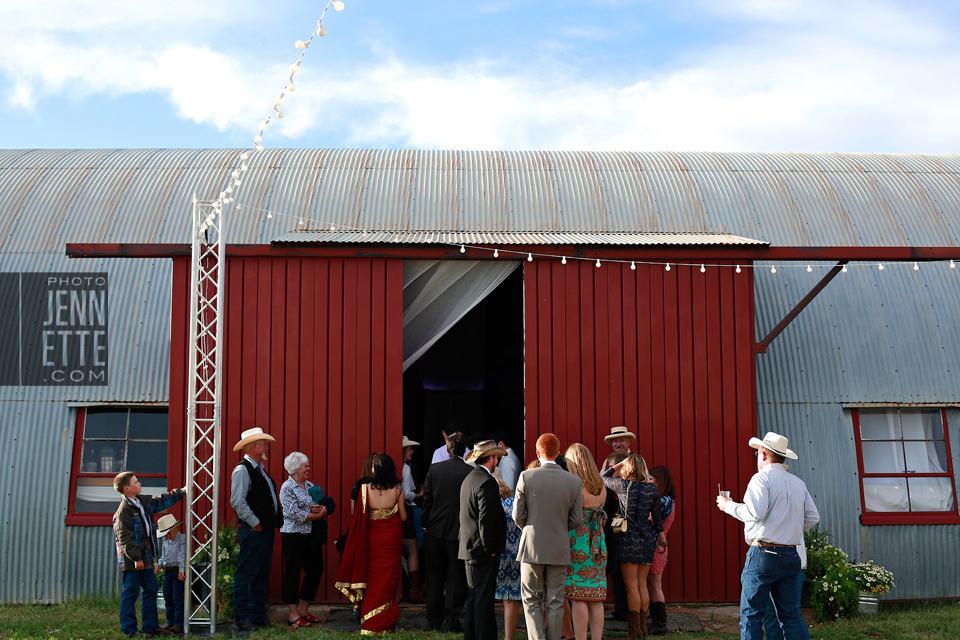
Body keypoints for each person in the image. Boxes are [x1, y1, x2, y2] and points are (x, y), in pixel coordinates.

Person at [717, 432, 820, 640]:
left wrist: (729, 506)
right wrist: (789, 530)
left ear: (763, 455)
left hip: (764, 553)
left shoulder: (760, 479)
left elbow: (755, 512)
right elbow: (813, 517)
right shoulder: (797, 482)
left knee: (751, 615)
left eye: (757, 453)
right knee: (790, 615)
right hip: (791, 554)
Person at [513, 433, 583, 640]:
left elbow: (517, 515)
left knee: (532, 600)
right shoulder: (574, 481)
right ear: (559, 453)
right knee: (555, 601)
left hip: (531, 547)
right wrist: (559, 527)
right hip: (559, 547)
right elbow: (577, 519)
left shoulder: (526, 476)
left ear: (537, 452)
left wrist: (531, 528)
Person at [336, 453, 407, 633]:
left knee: (372, 580)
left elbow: (359, 519)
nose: (372, 469)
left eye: (375, 466)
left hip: (372, 542)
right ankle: (385, 623)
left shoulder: (365, 489)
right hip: (391, 541)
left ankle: (370, 622)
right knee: (388, 582)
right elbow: (404, 517)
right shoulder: (398, 489)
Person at [112, 471, 185, 638]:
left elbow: (161, 501)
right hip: (133, 560)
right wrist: (136, 558)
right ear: (127, 488)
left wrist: (181, 492)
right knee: (131, 592)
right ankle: (130, 630)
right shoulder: (123, 512)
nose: (139, 484)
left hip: (146, 557)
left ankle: (151, 626)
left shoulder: (143, 503)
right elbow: (125, 538)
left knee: (151, 589)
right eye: (136, 482)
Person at [601, 454, 664, 639]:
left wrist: (619, 464)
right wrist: (660, 535)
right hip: (646, 539)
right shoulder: (652, 489)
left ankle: (634, 631)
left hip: (627, 540)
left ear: (627, 468)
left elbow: (603, 478)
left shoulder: (623, 486)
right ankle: (642, 627)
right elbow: (658, 518)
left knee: (631, 588)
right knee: (642, 586)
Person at [229, 427, 282, 632]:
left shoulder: (259, 469)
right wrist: (255, 523)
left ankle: (257, 615)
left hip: (264, 530)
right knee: (246, 574)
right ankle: (243, 618)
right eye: (262, 443)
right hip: (254, 531)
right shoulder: (242, 470)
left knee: (260, 573)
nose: (265, 446)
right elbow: (238, 502)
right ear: (253, 446)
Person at [421, 433, 472, 632]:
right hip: (458, 531)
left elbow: (427, 500)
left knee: (434, 575)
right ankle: (451, 620)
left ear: (448, 449)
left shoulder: (434, 470)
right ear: (465, 450)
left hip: (435, 529)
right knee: (455, 576)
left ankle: (433, 620)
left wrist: (426, 523)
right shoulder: (469, 471)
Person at [459, 440, 509, 640]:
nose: (497, 461)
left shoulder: (469, 478)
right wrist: (491, 549)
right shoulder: (487, 482)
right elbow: (486, 520)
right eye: (496, 457)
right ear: (491, 458)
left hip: (468, 548)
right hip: (482, 551)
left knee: (474, 598)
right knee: (483, 601)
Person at [279, 451, 332, 627]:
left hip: (310, 535)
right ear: (295, 469)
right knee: (293, 573)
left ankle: (303, 609)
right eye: (305, 466)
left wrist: (322, 508)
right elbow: (294, 513)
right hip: (293, 535)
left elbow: (317, 502)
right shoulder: (287, 487)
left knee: (316, 569)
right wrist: (318, 515)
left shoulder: (309, 485)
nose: (308, 468)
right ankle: (293, 614)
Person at [564, 444, 608, 640]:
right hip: (598, 543)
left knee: (579, 595)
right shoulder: (601, 484)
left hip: (577, 543)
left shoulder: (575, 484)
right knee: (596, 596)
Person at [645, 466, 676, 635]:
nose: (648, 482)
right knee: (651, 586)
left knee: (655, 586)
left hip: (656, 547)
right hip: (657, 547)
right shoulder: (666, 500)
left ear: (660, 481)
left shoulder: (663, 500)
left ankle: (660, 624)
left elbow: (650, 520)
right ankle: (655, 622)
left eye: (651, 479)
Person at [601, 452, 629, 623]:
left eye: (611, 466)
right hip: (614, 535)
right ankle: (623, 610)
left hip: (618, 536)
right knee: (616, 573)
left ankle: (623, 611)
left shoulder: (618, 486)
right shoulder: (621, 486)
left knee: (617, 573)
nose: (607, 469)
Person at [495, 476, 523, 640]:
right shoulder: (515, 503)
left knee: (501, 596)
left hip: (500, 554)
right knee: (513, 597)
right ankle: (508, 637)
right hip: (519, 554)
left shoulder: (493, 505)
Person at [401, 435, 426, 603]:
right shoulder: (405, 469)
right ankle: (414, 591)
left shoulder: (398, 468)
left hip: (399, 511)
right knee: (413, 551)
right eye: (409, 448)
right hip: (407, 509)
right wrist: (420, 495)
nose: (412, 451)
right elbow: (407, 494)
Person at [154, 514, 186, 633]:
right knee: (168, 597)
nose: (167, 536)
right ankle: (170, 621)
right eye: (165, 535)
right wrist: (159, 564)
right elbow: (163, 558)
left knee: (177, 597)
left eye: (168, 533)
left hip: (177, 571)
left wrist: (182, 570)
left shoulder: (183, 539)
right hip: (168, 572)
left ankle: (178, 622)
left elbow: (183, 555)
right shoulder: (166, 543)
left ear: (175, 529)